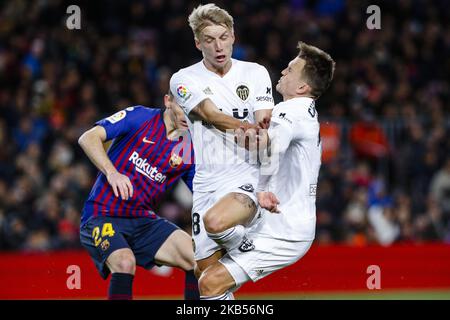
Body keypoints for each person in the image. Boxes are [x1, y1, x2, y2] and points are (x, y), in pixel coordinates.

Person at [197, 41, 335, 299]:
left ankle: (241, 245)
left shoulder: (290, 111)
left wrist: (262, 189)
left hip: (285, 229)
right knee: (213, 234)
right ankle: (241, 244)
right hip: (274, 217)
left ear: (302, 87)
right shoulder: (301, 113)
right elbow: (270, 146)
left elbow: (273, 147)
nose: (283, 71)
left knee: (209, 283)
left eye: (291, 69)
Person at [169, 3, 274, 290]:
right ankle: (246, 249)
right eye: (210, 40)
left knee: (216, 223)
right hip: (206, 185)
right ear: (197, 43)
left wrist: (262, 136)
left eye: (223, 37)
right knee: (207, 280)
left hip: (245, 178)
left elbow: (265, 122)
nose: (218, 46)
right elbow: (209, 114)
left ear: (233, 36)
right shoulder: (183, 79)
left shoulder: (255, 73)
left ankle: (250, 244)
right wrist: (246, 128)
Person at [78, 92, 199, 300]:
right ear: (168, 100)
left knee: (197, 259)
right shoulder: (140, 117)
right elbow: (87, 138)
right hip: (101, 214)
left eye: (192, 111)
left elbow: (202, 192)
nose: (186, 115)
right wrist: (112, 172)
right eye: (182, 107)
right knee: (125, 262)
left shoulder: (188, 149)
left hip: (143, 220)